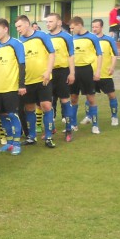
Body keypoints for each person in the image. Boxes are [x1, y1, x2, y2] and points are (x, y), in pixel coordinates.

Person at [15, 15, 56, 148]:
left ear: (27, 24)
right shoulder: (19, 42)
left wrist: (48, 71)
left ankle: (48, 137)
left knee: (46, 106)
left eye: (19, 26)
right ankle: (32, 137)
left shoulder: (42, 36)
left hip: (43, 79)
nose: (18, 29)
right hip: (27, 81)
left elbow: (52, 53)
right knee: (29, 108)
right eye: (16, 27)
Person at [0, 18, 27, 156]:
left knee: (12, 115)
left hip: (11, 87)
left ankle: (16, 143)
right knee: (2, 115)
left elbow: (22, 65)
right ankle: (9, 142)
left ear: (5, 29)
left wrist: (21, 85)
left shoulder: (16, 44)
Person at [43, 13, 76, 142]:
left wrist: (72, 73)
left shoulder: (66, 37)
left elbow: (71, 56)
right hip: (48, 73)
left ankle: (68, 130)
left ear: (59, 23)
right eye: (47, 22)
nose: (48, 24)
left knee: (64, 101)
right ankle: (50, 129)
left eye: (51, 21)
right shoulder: (44, 37)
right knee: (48, 102)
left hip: (62, 72)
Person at [67, 16, 104, 134]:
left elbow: (99, 54)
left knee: (91, 98)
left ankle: (95, 125)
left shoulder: (92, 37)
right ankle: (73, 124)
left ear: (79, 25)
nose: (71, 30)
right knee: (73, 98)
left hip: (87, 70)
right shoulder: (71, 39)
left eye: (73, 28)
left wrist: (98, 71)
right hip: (74, 70)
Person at [91, 18, 120, 126]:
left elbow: (114, 54)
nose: (94, 29)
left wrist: (112, 67)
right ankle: (89, 116)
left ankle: (114, 117)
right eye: (93, 27)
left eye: (96, 27)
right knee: (90, 95)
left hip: (105, 73)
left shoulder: (109, 40)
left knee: (111, 95)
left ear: (102, 27)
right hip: (92, 74)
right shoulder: (90, 39)